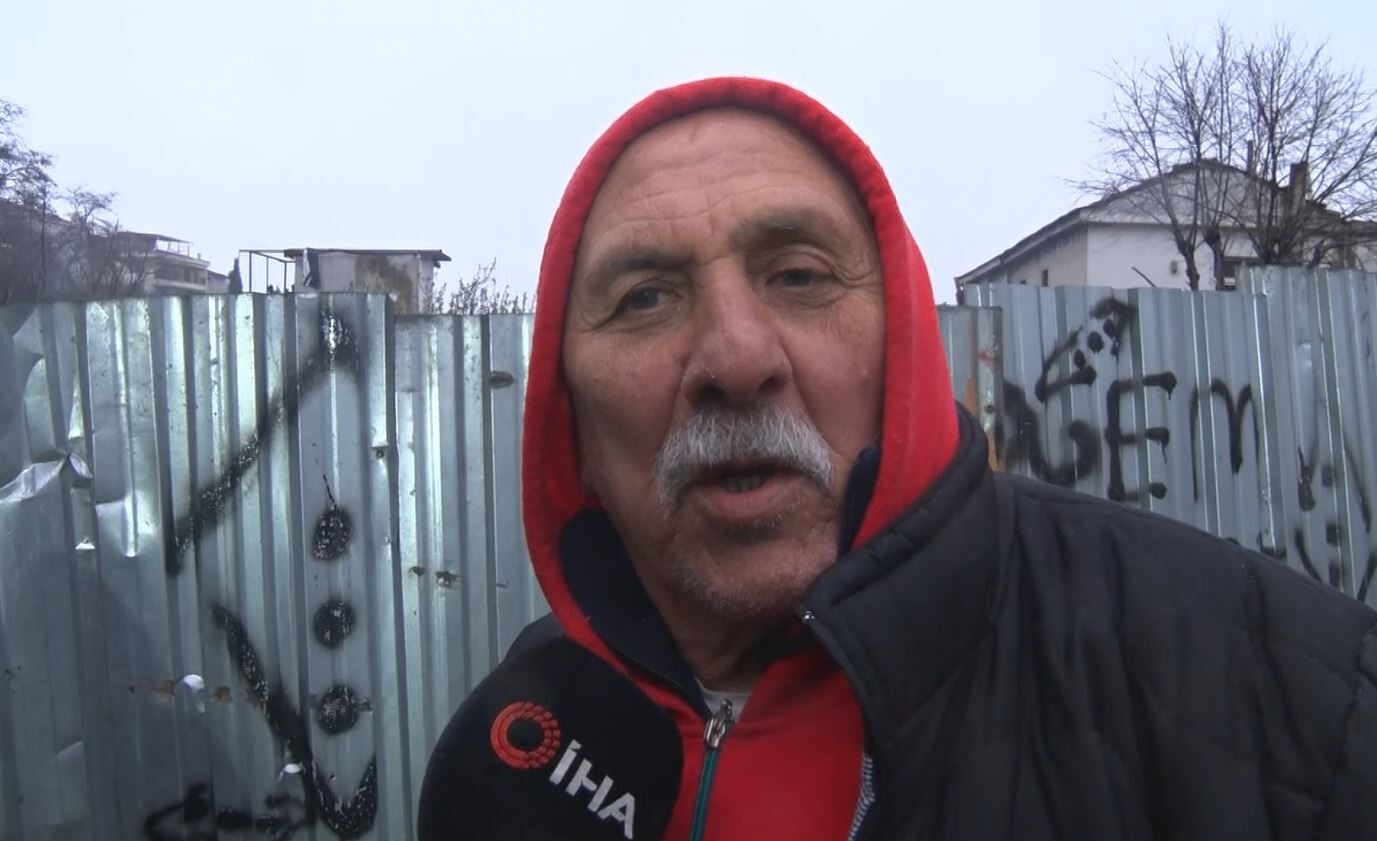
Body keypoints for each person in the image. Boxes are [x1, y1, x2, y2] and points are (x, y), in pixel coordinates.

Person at [418, 77, 1377, 841]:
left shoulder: (1289, 702)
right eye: (644, 298)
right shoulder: (528, 735)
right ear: (572, 416)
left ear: (906, 349)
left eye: (799, 274)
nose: (736, 359)